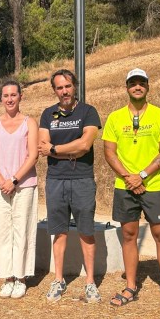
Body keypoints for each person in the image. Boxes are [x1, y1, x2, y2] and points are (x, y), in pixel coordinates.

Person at [102, 68, 160, 314]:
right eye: (132, 83)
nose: (137, 87)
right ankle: (130, 286)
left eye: (141, 83)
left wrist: (142, 176)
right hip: (125, 185)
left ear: (147, 86)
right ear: (126, 87)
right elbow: (109, 153)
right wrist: (129, 177)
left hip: (154, 185)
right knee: (129, 235)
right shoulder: (115, 117)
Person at [38, 69, 102, 304]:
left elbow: (85, 145)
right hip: (56, 179)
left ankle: (90, 281)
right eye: (59, 87)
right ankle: (58, 279)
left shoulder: (88, 112)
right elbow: (42, 146)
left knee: (86, 231)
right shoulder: (48, 114)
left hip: (82, 179)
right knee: (59, 231)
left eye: (67, 86)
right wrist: (69, 151)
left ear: (74, 87)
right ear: (54, 90)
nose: (64, 91)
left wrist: (56, 150)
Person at [0, 81, 38, 299]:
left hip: (24, 184)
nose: (9, 99)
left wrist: (14, 180)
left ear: (20, 97)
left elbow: (33, 155)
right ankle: (7, 276)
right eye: (6, 95)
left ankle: (21, 277)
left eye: (13, 95)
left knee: (22, 229)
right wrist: (2, 181)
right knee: (3, 230)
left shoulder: (29, 123)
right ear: (1, 98)